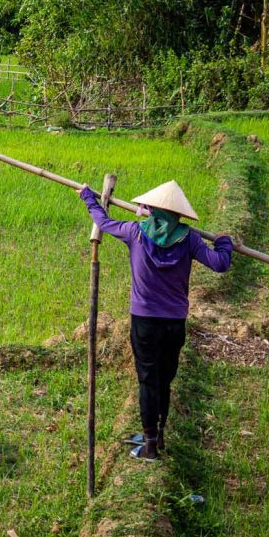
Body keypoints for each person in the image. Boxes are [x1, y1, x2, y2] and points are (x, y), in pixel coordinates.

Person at [78, 180, 233, 461]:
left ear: (153, 210)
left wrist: (89, 197)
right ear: (178, 215)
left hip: (145, 322)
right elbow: (220, 263)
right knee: (164, 380)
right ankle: (159, 435)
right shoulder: (189, 239)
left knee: (148, 381)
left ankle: (149, 445)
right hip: (174, 323)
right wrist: (224, 242)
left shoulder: (135, 232)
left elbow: (103, 220)